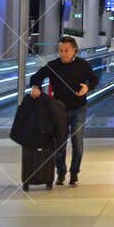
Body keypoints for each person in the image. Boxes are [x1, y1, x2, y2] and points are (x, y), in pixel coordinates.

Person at [29, 36, 99, 187]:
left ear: (74, 50)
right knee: (59, 144)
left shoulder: (82, 64)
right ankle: (60, 173)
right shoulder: (53, 65)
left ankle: (74, 174)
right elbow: (36, 77)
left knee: (77, 142)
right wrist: (35, 87)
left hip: (79, 108)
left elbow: (93, 79)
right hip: (59, 110)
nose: (63, 53)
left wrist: (87, 87)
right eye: (60, 50)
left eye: (66, 50)